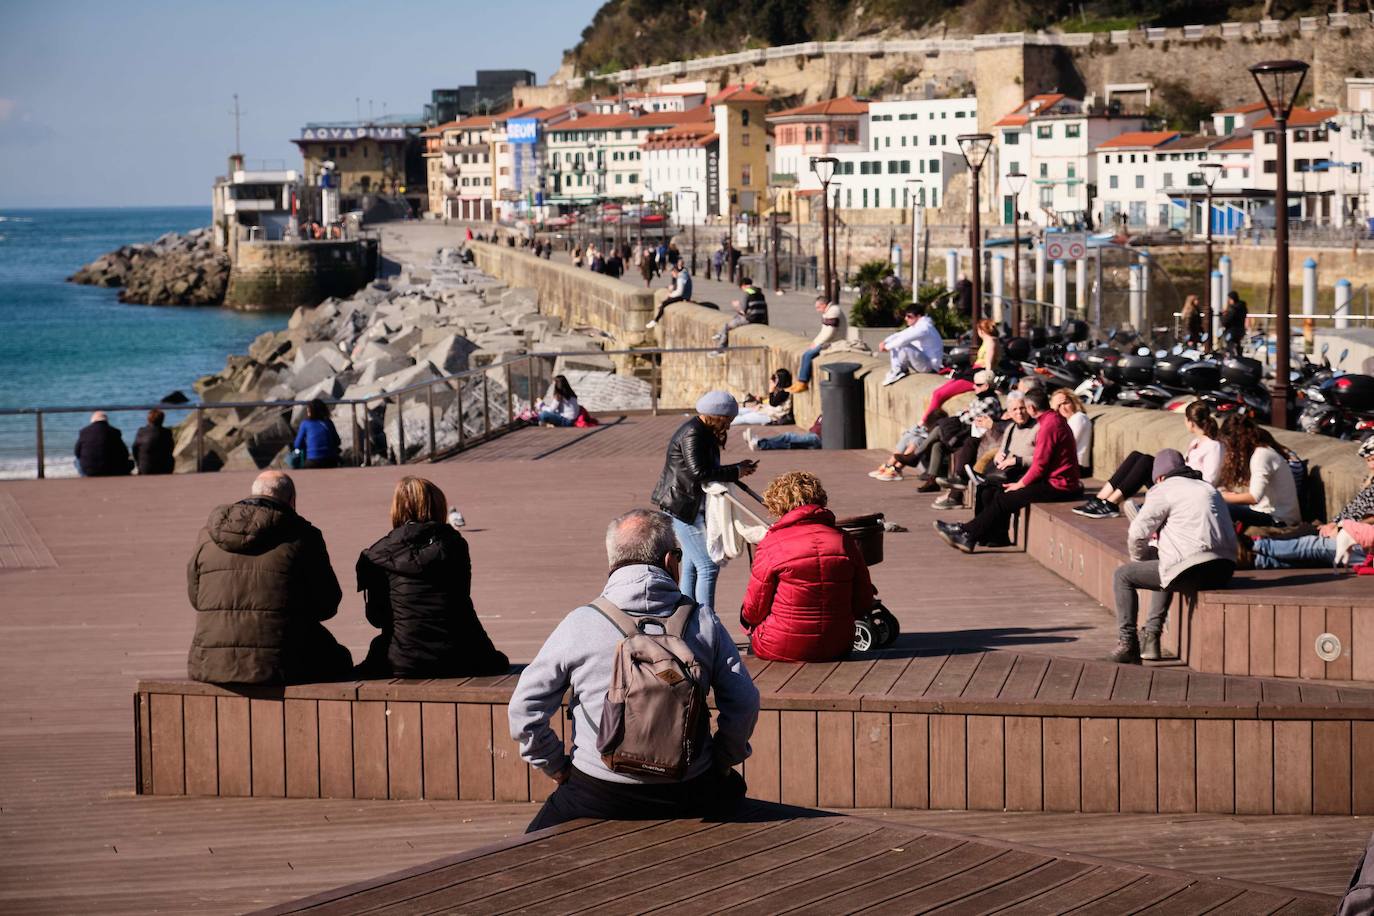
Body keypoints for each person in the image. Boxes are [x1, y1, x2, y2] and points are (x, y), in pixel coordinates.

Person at [508, 508, 759, 831]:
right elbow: (744, 702)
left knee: (532, 846)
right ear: (671, 560)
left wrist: (557, 766)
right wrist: (722, 760)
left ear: (612, 562)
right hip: (689, 788)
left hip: (599, 789)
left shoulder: (581, 623)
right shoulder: (703, 621)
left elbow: (524, 710)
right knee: (734, 792)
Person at [186, 470, 352, 684]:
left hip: (210, 662)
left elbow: (196, 597)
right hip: (280, 663)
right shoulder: (304, 535)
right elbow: (327, 605)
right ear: (292, 501)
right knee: (339, 659)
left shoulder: (207, 535)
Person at [355, 477, 509, 678]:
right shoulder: (454, 545)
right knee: (497, 661)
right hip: (462, 654)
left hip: (402, 658)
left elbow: (377, 617)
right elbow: (459, 598)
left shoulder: (376, 553)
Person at [1110, 449, 1237, 664]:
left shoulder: (1163, 489)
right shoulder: (1208, 488)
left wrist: (1140, 561)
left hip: (1191, 570)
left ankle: (1128, 644)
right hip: (1224, 569)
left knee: (1123, 575)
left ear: (1159, 477)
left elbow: (1137, 533)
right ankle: (1151, 639)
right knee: (1165, 566)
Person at [741, 472, 875, 662]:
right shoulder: (844, 540)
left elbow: (754, 611)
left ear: (778, 506)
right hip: (839, 644)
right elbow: (863, 600)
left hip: (780, 646)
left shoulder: (771, 543)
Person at [934, 388, 1082, 552]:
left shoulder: (1049, 426)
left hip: (1059, 485)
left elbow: (1040, 465)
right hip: (1053, 479)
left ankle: (967, 533)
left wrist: (1020, 484)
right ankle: (979, 535)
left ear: (1032, 408)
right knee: (995, 491)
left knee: (1005, 499)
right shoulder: (1052, 421)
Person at [651, 391, 758, 608]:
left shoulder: (703, 431)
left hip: (689, 505)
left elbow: (705, 469)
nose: (729, 425)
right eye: (728, 420)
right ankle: (706, 623)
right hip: (681, 508)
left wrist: (737, 468)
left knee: (692, 565)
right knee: (709, 565)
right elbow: (699, 472)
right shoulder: (693, 433)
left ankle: (688, 619)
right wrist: (735, 471)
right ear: (717, 416)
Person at [1075, 400, 1222, 519]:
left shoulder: (1213, 446)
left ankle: (1111, 504)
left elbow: (1210, 481)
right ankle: (1101, 499)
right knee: (1137, 456)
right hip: (1176, 487)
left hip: (1187, 494)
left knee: (1146, 463)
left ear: (1190, 422)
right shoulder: (1195, 443)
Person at [1251, 437, 1374, 568]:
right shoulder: (1369, 482)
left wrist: (1342, 529)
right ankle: (1254, 559)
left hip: (1359, 540)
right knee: (1305, 544)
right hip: (1347, 531)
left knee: (1311, 545)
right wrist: (1335, 525)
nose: (1370, 465)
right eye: (1368, 460)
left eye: (1372, 459)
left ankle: (1252, 546)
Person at [870, 369, 1000, 485]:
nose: (973, 387)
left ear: (986, 386)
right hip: (966, 432)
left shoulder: (989, 401)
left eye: (977, 385)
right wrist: (965, 412)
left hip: (974, 438)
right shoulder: (981, 399)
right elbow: (964, 414)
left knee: (939, 428)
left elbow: (964, 418)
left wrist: (965, 413)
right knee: (938, 444)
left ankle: (916, 455)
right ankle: (931, 479)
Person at [1218, 415, 1301, 529]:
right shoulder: (1261, 452)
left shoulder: (1262, 455)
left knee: (1221, 507)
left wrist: (1221, 496)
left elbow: (1254, 498)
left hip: (1279, 519)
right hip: (1266, 512)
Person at [917, 319, 1001, 424]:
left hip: (977, 375)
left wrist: (989, 382)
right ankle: (926, 420)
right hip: (973, 372)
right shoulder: (993, 340)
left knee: (938, 394)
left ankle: (925, 422)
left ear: (981, 331)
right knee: (938, 393)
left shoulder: (990, 342)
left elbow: (989, 364)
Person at [788, 298, 848, 393]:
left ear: (824, 305)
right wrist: (815, 341)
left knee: (807, 355)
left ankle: (802, 382)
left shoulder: (833, 312)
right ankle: (800, 381)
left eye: (818, 307)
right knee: (806, 354)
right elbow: (824, 331)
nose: (817, 310)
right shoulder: (830, 311)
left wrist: (817, 343)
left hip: (833, 342)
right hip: (828, 341)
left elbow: (830, 332)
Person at [878, 303, 943, 386]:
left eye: (909, 316)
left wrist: (887, 347)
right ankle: (897, 369)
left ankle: (897, 370)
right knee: (896, 342)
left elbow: (903, 340)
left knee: (902, 345)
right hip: (924, 363)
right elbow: (899, 335)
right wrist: (885, 342)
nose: (906, 319)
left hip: (931, 367)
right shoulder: (918, 326)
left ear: (919, 316)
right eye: (906, 316)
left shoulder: (924, 328)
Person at [710, 277, 768, 355]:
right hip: (761, 319)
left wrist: (736, 306)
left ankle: (721, 348)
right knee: (736, 317)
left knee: (727, 326)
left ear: (743, 285)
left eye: (741, 288)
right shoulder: (760, 293)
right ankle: (720, 334)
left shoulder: (747, 293)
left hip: (751, 319)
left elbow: (743, 311)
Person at [74, 410, 132, 477]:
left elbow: (77, 452)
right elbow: (124, 453)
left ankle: (85, 475)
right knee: (129, 462)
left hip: (89, 470)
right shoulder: (115, 431)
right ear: (106, 420)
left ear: (92, 420)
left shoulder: (84, 431)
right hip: (111, 469)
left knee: (77, 461)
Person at [1051, 389, 1093, 476]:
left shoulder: (1079, 418)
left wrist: (1052, 412)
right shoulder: (1066, 421)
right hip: (1066, 465)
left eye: (1065, 403)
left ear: (1073, 402)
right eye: (1058, 405)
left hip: (1076, 467)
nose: (1062, 408)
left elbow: (1064, 445)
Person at [294, 399, 341, 469]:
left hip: (313, 459)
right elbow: (337, 441)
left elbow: (297, 445)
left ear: (310, 411)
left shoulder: (305, 424)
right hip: (330, 460)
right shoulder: (328, 423)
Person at [646, 262, 692, 328]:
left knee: (665, 303)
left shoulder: (681, 277)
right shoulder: (683, 275)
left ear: (675, 271)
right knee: (666, 300)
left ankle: (655, 321)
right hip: (685, 295)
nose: (672, 275)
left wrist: (671, 295)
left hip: (684, 296)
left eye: (672, 273)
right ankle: (656, 318)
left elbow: (679, 292)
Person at [132, 408, 175, 476]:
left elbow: (134, 449)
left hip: (145, 468)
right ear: (162, 420)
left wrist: (138, 463)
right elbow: (171, 448)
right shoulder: (167, 432)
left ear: (148, 419)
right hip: (164, 468)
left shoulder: (141, 431)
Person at [745, 416, 823, 451]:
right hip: (813, 435)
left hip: (817, 438)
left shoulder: (832, 412)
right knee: (789, 444)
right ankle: (760, 443)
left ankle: (759, 443)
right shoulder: (826, 411)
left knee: (788, 437)